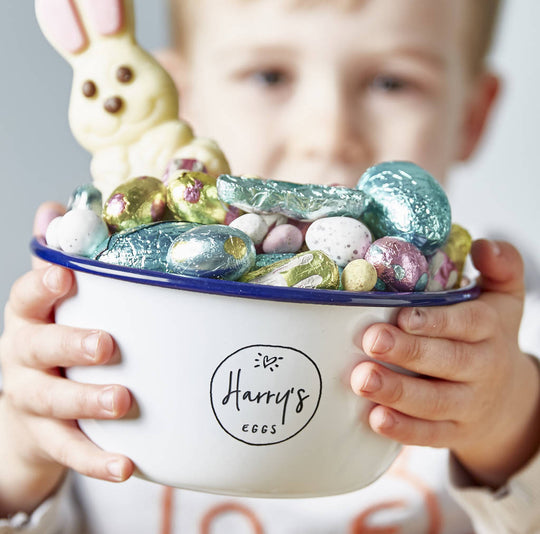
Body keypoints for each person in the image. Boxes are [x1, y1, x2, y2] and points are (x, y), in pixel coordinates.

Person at [1, 0, 539, 532]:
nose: (326, 132)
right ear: (178, 96)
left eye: (392, 83)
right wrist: (21, 453)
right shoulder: (102, 322)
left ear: (473, 116)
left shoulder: (498, 339)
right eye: (269, 75)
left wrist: (509, 424)